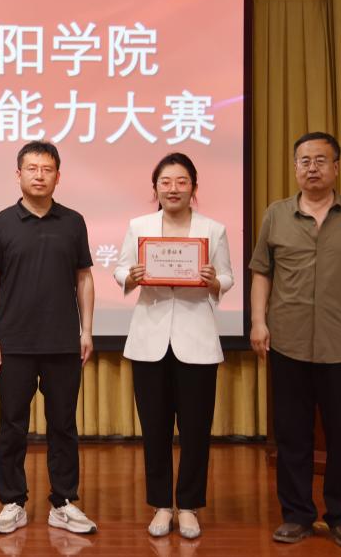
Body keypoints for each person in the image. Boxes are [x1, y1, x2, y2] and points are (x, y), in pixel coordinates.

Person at [250, 131, 341, 549]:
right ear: (295, 167)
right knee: (292, 435)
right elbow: (262, 273)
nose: (312, 168)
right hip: (287, 341)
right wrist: (258, 322)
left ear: (336, 168)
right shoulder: (276, 215)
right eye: (304, 161)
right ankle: (296, 516)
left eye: (320, 160)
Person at [113, 153, 233, 540]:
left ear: (193, 187)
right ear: (155, 188)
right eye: (165, 182)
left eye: (182, 182)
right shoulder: (140, 226)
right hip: (149, 341)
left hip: (197, 340)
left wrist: (214, 280)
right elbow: (120, 269)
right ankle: (162, 505)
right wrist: (131, 276)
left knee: (196, 430)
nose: (173, 189)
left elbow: (228, 277)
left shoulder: (213, 229)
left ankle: (190, 506)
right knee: (155, 429)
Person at [0, 141, 97, 535]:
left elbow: (84, 278)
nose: (39, 176)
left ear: (58, 176)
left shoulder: (73, 222)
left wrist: (86, 330)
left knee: (63, 424)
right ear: (19, 174)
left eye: (47, 169)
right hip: (14, 342)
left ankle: (63, 502)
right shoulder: (0, 224)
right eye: (32, 169)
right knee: (12, 425)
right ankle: (12, 502)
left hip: (63, 341)